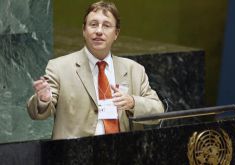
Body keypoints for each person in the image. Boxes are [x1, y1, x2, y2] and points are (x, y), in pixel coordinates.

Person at [27, 0, 164, 140]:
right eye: (93, 25)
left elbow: (158, 112)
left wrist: (133, 103)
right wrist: (43, 100)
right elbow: (37, 113)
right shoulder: (59, 67)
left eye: (106, 26)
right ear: (84, 30)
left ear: (116, 33)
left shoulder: (134, 70)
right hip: (75, 155)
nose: (99, 31)